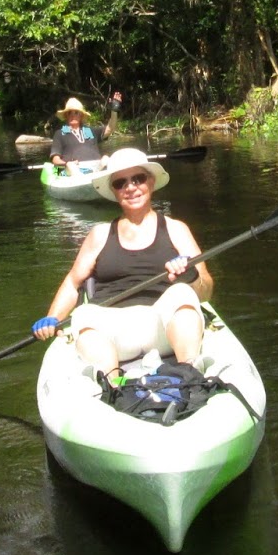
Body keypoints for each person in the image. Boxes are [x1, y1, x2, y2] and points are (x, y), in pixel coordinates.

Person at [31, 147, 212, 388]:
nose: (131, 187)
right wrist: (52, 317)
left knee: (182, 293)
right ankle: (113, 386)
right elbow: (73, 284)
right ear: (114, 191)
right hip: (113, 332)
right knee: (84, 313)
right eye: (120, 182)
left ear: (151, 182)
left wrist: (190, 277)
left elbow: (207, 290)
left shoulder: (176, 229)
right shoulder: (99, 234)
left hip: (164, 328)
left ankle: (189, 375)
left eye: (138, 178)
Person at [48, 93, 121, 174]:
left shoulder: (90, 131)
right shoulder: (59, 134)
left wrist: (114, 111)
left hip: (96, 169)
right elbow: (55, 159)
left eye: (76, 112)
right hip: (72, 170)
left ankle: (98, 178)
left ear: (81, 116)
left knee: (106, 159)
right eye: (69, 113)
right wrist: (66, 164)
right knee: (70, 166)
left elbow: (110, 129)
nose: (73, 115)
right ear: (66, 116)